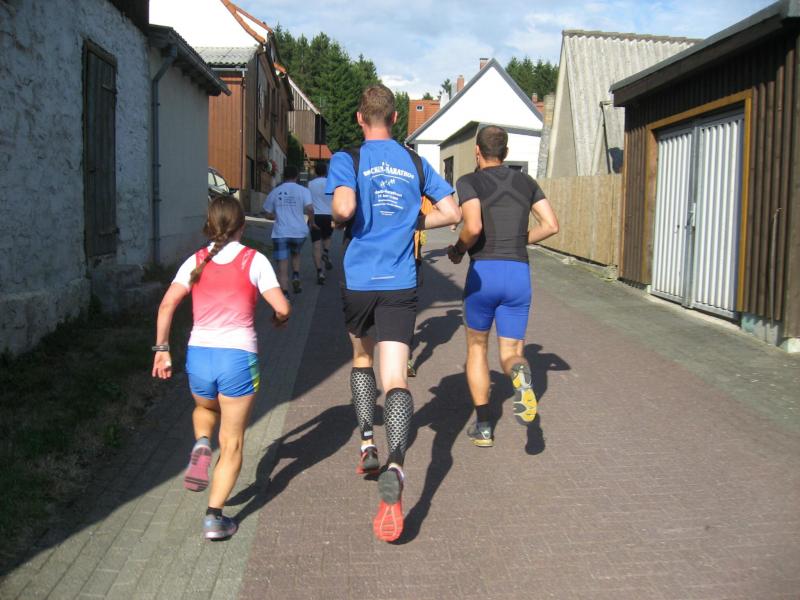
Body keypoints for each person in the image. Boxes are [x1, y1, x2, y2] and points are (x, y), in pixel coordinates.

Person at [328, 84, 461, 542]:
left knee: (361, 359)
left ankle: (367, 441)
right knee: (396, 378)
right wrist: (415, 220)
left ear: (360, 119)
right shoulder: (415, 162)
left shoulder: (348, 157)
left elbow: (344, 207)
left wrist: (339, 213)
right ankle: (397, 463)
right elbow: (453, 211)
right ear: (395, 119)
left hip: (359, 282)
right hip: (400, 283)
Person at [152, 196, 290, 540]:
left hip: (199, 356)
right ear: (242, 226)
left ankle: (201, 442)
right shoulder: (253, 260)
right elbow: (283, 307)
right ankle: (214, 518)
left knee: (204, 409)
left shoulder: (196, 260)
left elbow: (167, 304)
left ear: (209, 225)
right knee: (231, 443)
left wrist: (162, 350)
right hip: (237, 359)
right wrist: (278, 318)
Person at [447, 125, 559, 447]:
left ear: (477, 152)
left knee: (477, 348)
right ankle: (520, 376)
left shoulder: (469, 181)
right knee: (511, 353)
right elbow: (551, 225)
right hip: (518, 274)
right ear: (506, 153)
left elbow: (473, 227)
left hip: (485, 274)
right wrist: (519, 241)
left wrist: (458, 250)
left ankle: (484, 426)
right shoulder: (526, 182)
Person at [263, 165, 314, 295]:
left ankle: (285, 293)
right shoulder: (304, 191)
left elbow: (267, 214)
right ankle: (296, 275)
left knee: (283, 264)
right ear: (297, 176)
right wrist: (312, 222)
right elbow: (310, 209)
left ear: (283, 176)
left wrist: (276, 216)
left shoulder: (275, 191)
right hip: (299, 233)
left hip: (281, 233)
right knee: (296, 253)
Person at [308, 162, 334, 285]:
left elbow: (308, 203)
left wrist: (310, 218)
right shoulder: (331, 183)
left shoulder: (310, 184)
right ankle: (326, 252)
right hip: (328, 215)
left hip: (315, 216)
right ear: (326, 171)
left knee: (316, 245)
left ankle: (320, 272)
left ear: (315, 172)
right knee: (327, 237)